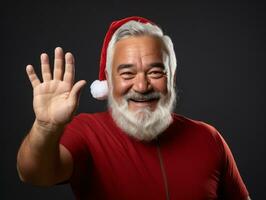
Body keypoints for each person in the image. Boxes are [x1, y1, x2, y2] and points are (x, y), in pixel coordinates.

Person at [17, 16, 251, 200]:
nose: (141, 85)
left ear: (172, 76)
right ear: (109, 79)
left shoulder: (208, 138)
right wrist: (46, 127)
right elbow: (34, 173)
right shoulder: (86, 133)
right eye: (127, 73)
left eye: (155, 72)